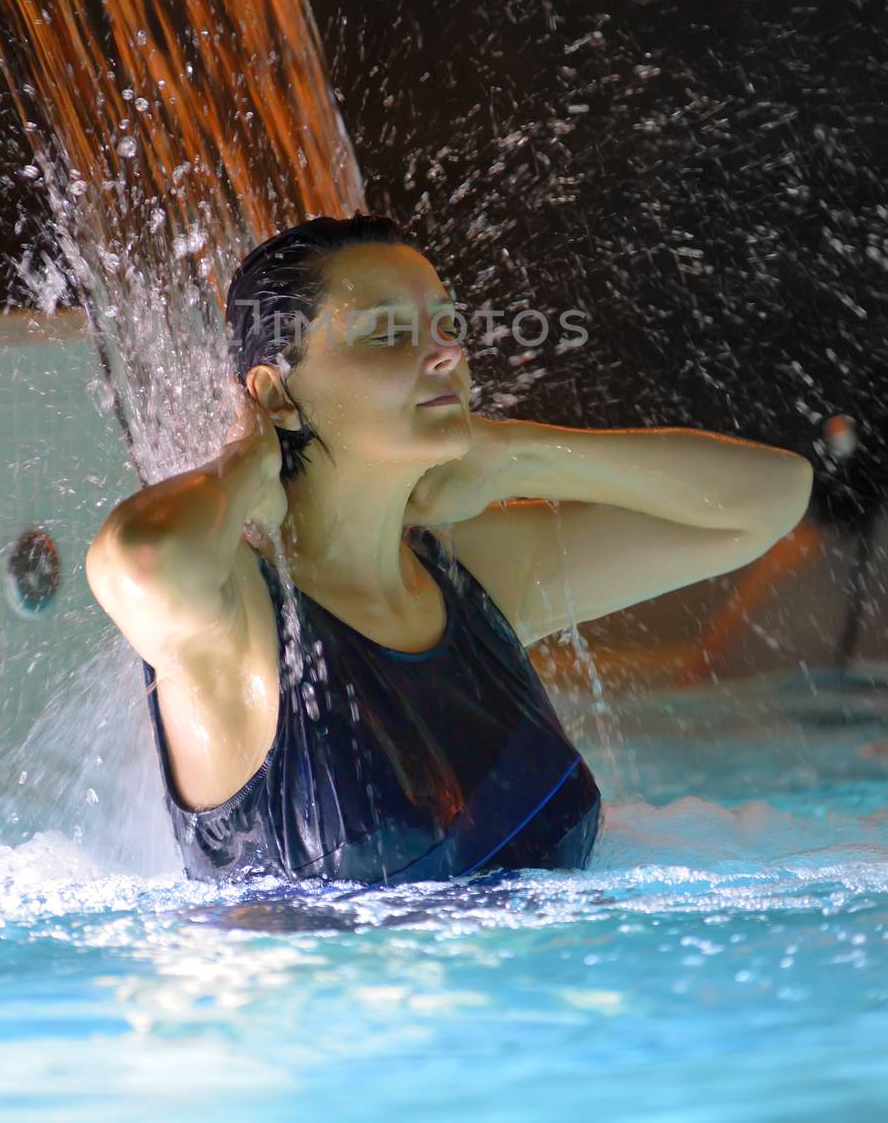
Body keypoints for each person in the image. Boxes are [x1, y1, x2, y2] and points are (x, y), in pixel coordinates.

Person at [85, 212, 813, 884]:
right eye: (387, 334)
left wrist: (518, 455)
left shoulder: (473, 577)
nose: (445, 354)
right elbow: (143, 554)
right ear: (277, 396)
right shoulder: (236, 618)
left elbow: (769, 500)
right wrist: (246, 460)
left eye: (446, 325)